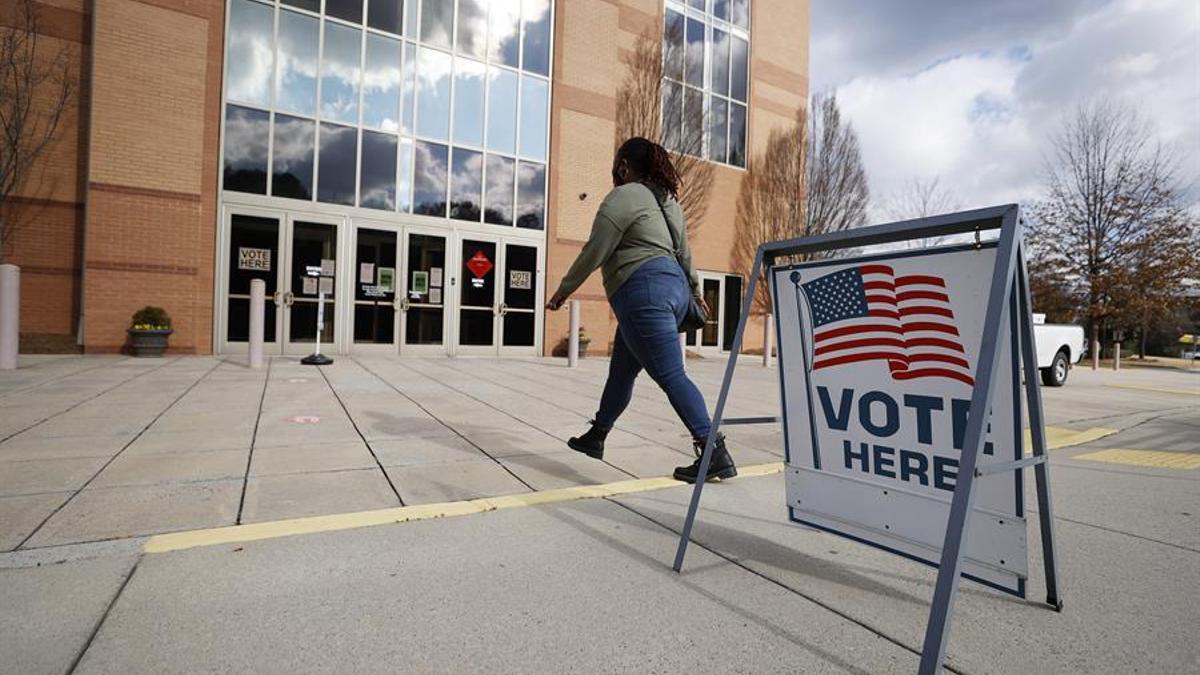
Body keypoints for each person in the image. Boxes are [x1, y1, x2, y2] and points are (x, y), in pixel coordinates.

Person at [545, 137, 736, 483]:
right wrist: (694, 289)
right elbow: (686, 254)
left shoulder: (623, 197)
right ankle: (597, 435)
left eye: (616, 166)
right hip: (671, 290)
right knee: (621, 372)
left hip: (643, 293)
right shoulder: (669, 203)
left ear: (623, 166)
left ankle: (713, 450)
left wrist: (563, 291)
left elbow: (596, 249)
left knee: (671, 375)